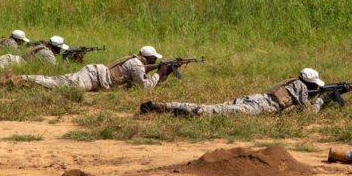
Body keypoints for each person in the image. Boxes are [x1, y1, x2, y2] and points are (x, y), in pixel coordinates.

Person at [139, 68, 327, 116]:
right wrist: (323, 99)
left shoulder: (292, 82)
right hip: (260, 106)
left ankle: (164, 106)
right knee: (210, 111)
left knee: (216, 107)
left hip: (256, 98)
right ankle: (180, 110)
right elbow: (309, 112)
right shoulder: (301, 87)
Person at [0, 45, 170, 91]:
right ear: (149, 58)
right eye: (154, 59)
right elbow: (145, 87)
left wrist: (158, 74)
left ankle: (19, 78)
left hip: (93, 73)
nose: (155, 60)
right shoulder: (137, 65)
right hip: (93, 77)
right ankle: (17, 80)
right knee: (56, 84)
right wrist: (160, 73)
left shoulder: (135, 61)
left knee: (56, 80)